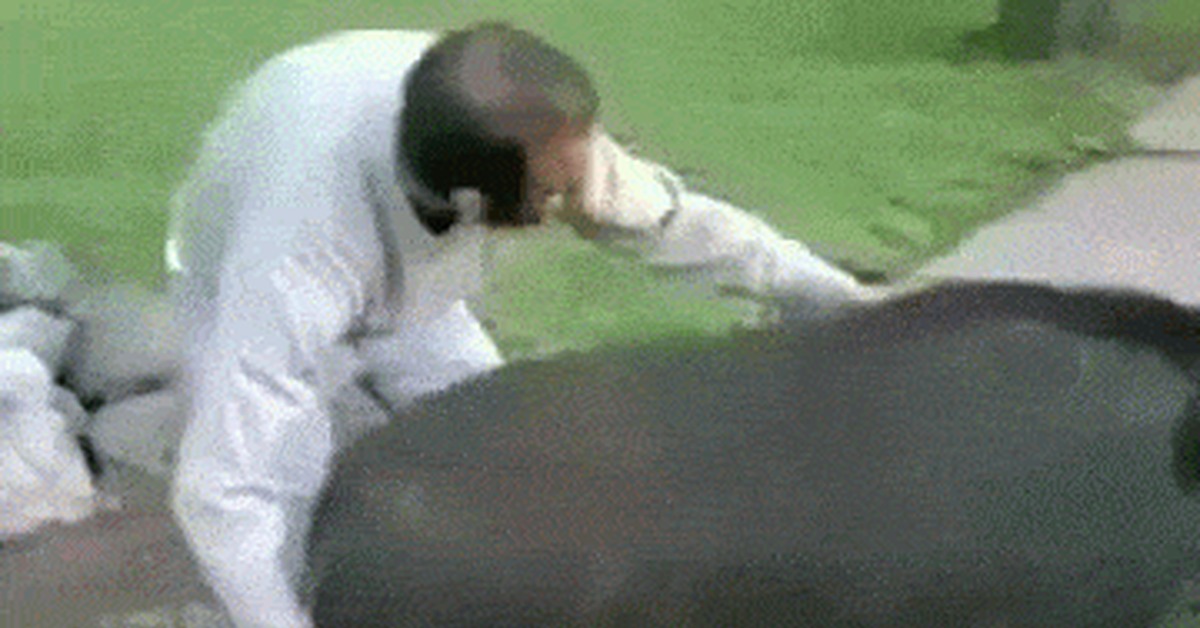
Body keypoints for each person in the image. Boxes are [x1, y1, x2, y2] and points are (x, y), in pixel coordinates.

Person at [166, 22, 879, 628]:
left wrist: (842, 302)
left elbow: (673, 224)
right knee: (287, 487)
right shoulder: (293, 257)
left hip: (417, 292)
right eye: (556, 192)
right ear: (475, 204)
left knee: (502, 438)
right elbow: (225, 494)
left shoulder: (527, 131)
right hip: (242, 265)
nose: (579, 194)